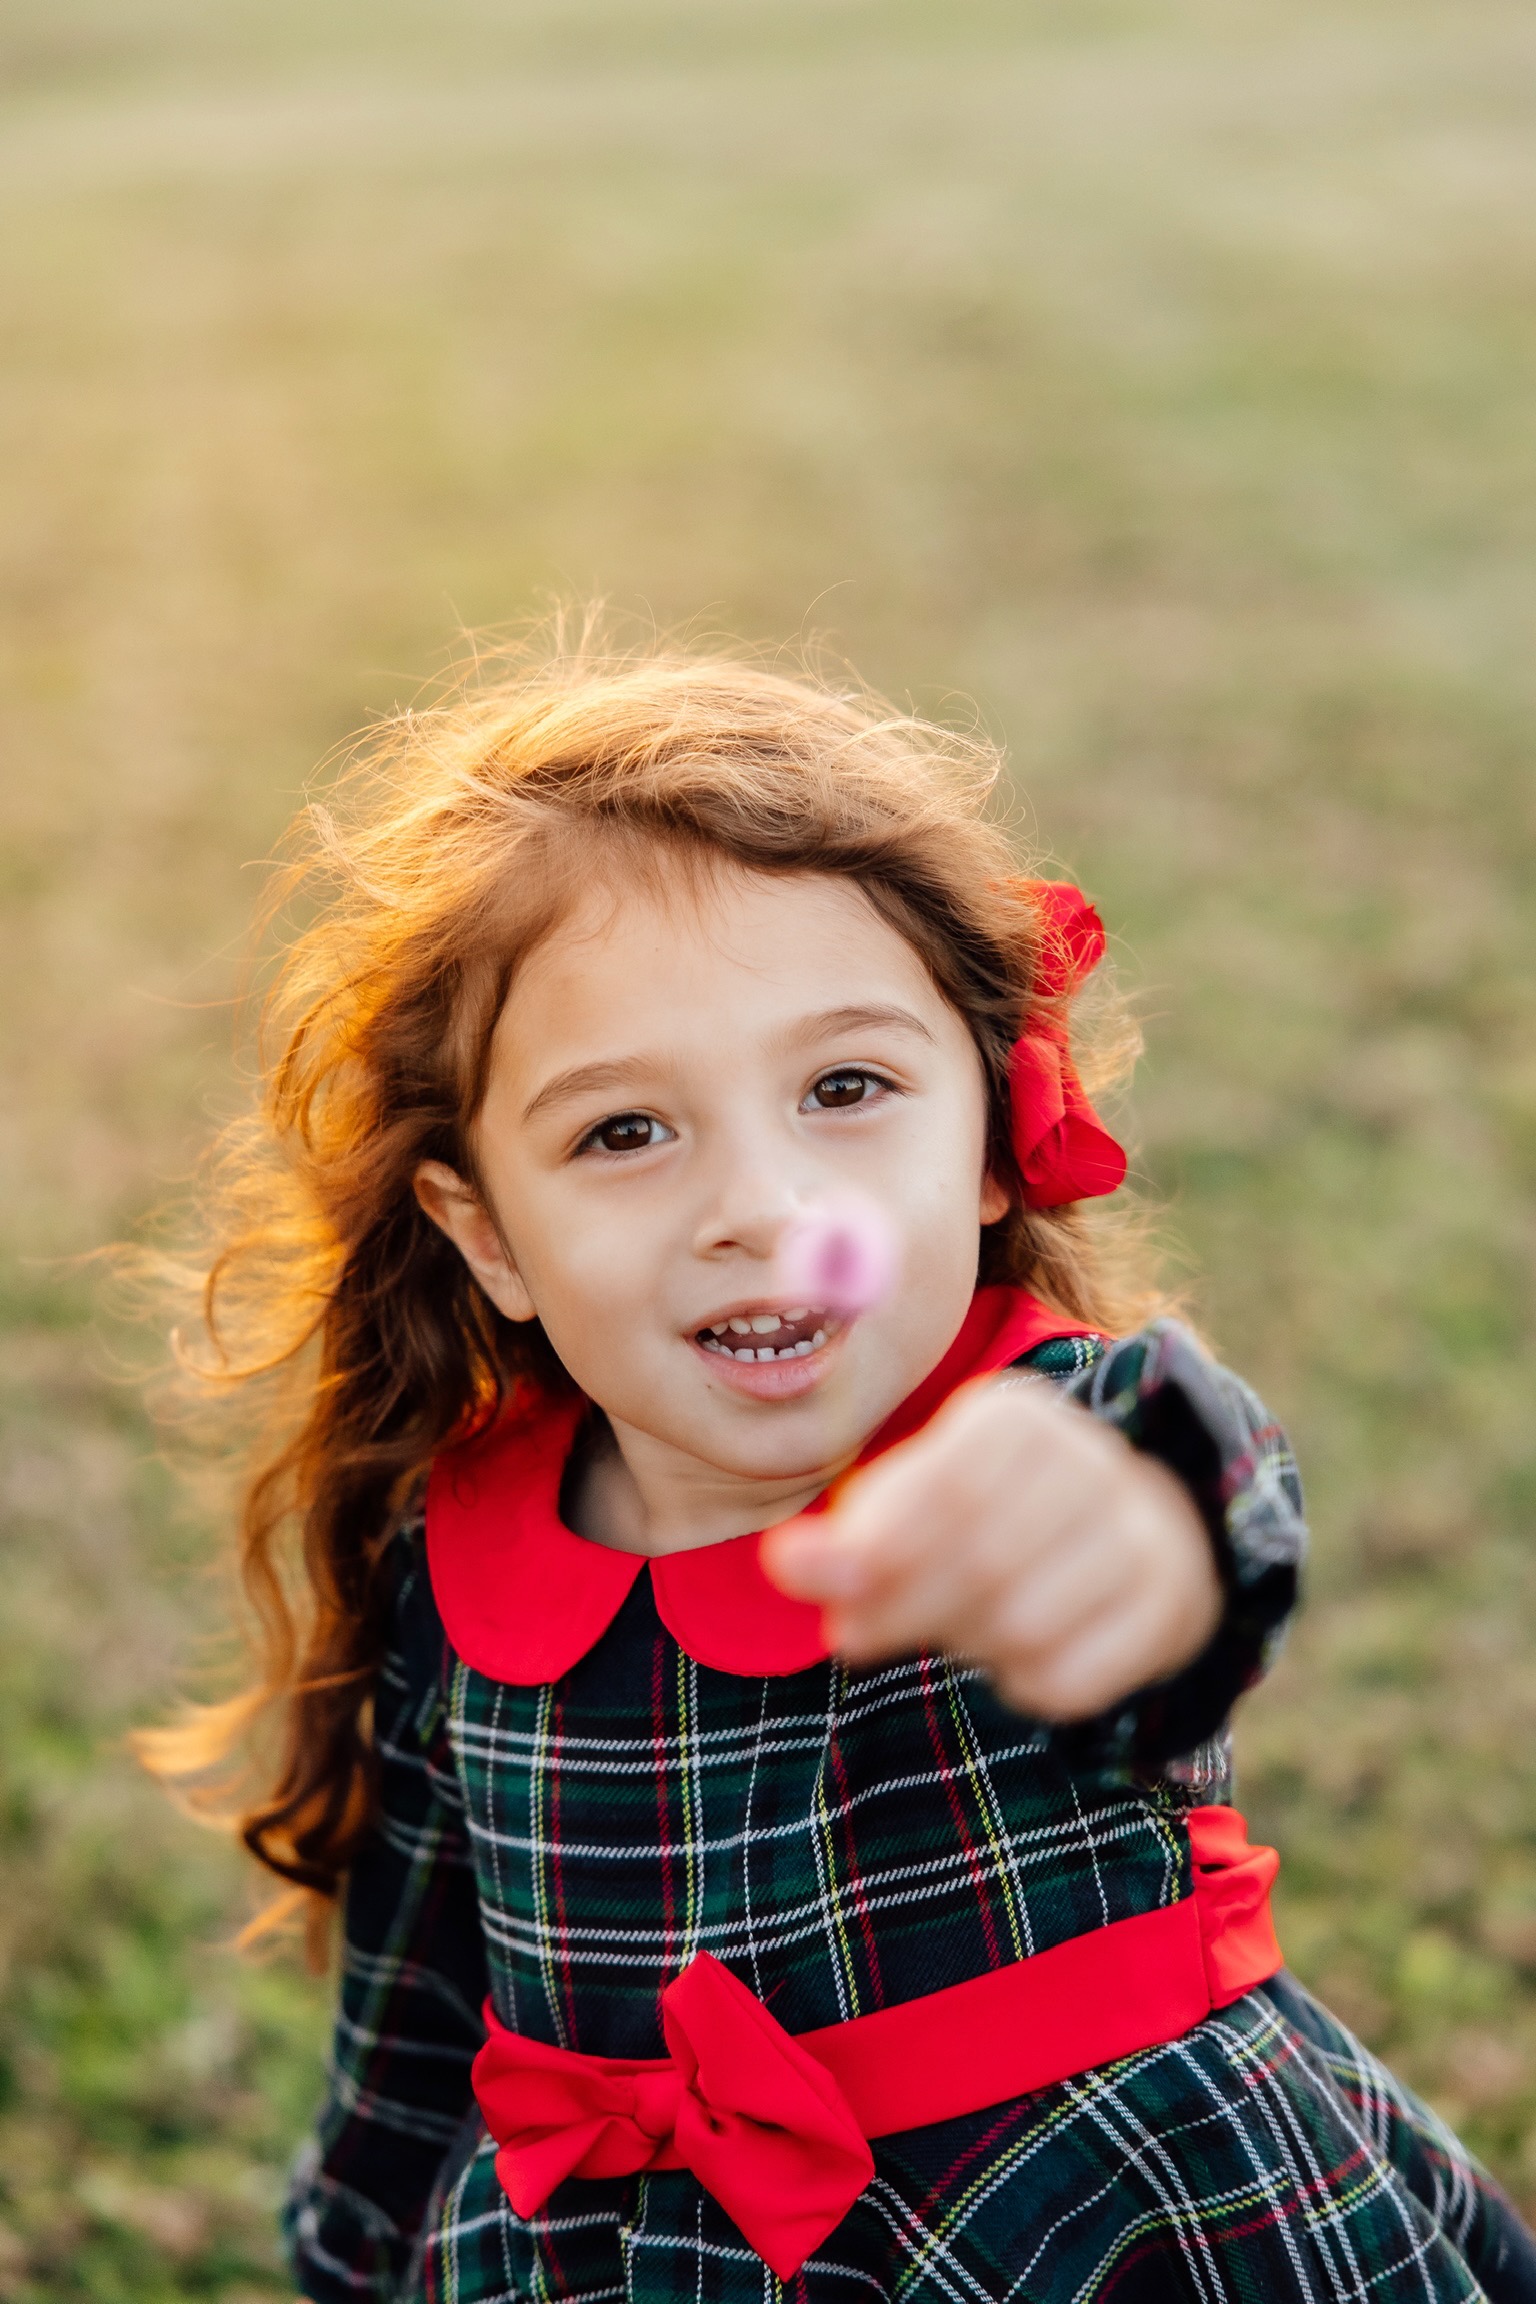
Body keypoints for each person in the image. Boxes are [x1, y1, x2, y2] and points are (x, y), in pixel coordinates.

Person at [143, 636, 1536, 2302]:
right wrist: (359, 2251)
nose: (760, 1202)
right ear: (488, 1234)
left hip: (1097, 2240)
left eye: (848, 1087)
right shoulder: (463, 1554)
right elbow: (424, 1998)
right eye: (625, 1132)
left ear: (989, 1138)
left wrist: (1130, 1540)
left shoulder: (1043, 1444)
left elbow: (1206, 1513)